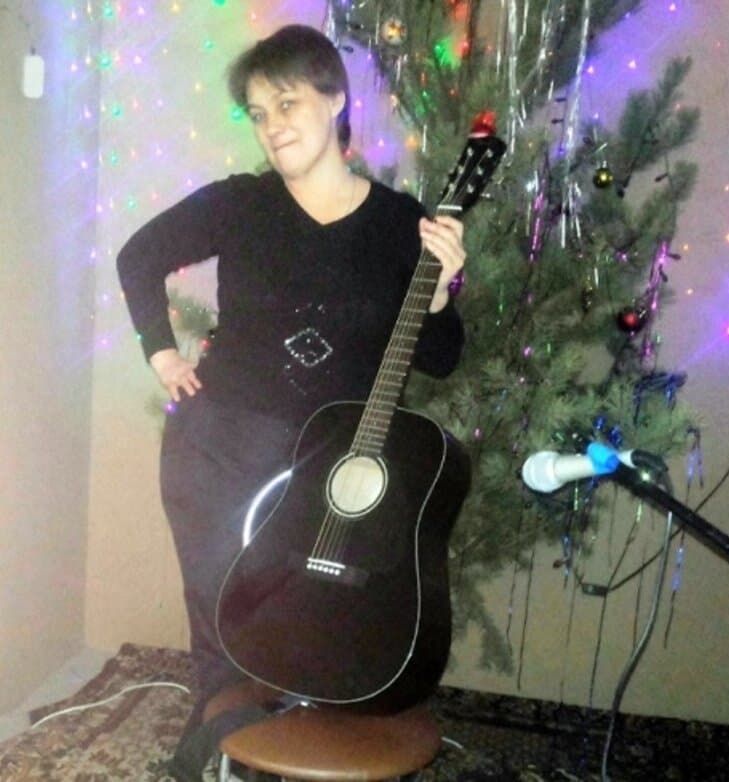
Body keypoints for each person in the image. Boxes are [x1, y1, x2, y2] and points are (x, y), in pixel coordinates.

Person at [117, 23, 466, 777]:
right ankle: (223, 740)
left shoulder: (399, 223)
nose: (271, 126)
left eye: (286, 103)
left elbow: (441, 359)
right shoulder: (241, 203)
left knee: (306, 617)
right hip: (220, 445)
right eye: (257, 113)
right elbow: (138, 255)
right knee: (222, 614)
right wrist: (161, 351)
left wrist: (439, 293)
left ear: (334, 98)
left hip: (327, 468)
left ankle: (273, 741)